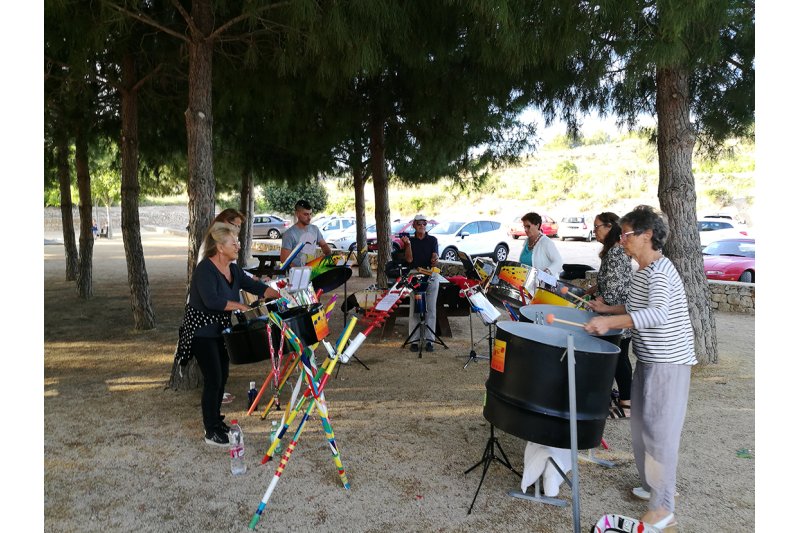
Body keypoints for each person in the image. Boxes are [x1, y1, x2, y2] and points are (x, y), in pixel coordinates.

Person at [584, 205, 696, 530]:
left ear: (647, 235)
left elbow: (658, 313)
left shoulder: (661, 270)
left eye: (627, 234)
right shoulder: (642, 272)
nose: (621, 241)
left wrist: (611, 322)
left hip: (668, 363)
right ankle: (652, 486)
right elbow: (635, 307)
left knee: (660, 434)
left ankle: (663, 508)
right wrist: (607, 309)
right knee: (642, 430)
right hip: (647, 360)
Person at [175, 222, 281, 447]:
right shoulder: (205, 269)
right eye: (234, 242)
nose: (238, 246)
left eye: (238, 242)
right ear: (220, 247)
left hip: (219, 330)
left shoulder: (233, 269)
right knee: (213, 378)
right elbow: (211, 300)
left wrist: (279, 294)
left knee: (222, 376)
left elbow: (254, 287)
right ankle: (210, 431)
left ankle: (216, 421)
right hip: (201, 332)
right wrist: (240, 307)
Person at [583, 212, 634, 418]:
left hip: (617, 314)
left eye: (597, 227)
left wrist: (598, 302)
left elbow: (612, 291)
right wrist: (591, 289)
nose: (594, 231)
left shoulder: (615, 252)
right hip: (617, 312)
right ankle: (623, 398)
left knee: (619, 359)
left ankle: (626, 405)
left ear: (610, 226)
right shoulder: (613, 251)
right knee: (619, 358)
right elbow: (610, 280)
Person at [401, 214, 440, 352]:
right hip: (415, 274)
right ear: (414, 225)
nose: (422, 226)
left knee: (431, 309)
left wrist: (435, 258)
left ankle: (430, 341)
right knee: (415, 309)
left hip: (430, 274)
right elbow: (409, 260)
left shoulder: (433, 239)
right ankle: (415, 340)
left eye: (424, 223)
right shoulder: (410, 241)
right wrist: (408, 245)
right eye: (419, 223)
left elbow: (435, 256)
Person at [280, 200, 332, 267]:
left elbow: (324, 245)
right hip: (296, 274)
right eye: (306, 214)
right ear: (297, 214)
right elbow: (284, 260)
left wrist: (328, 258)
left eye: (310, 214)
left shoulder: (315, 229)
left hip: (312, 272)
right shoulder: (289, 234)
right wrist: (299, 271)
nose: (309, 218)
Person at [518, 212, 563, 276]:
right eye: (524, 226)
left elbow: (559, 262)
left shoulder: (546, 242)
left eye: (528, 226)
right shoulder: (526, 241)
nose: (525, 229)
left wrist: (545, 274)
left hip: (544, 285)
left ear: (537, 225)